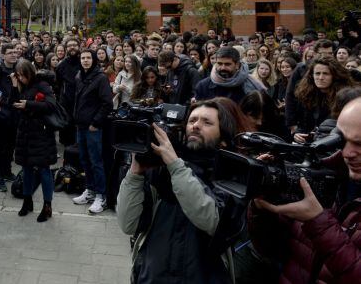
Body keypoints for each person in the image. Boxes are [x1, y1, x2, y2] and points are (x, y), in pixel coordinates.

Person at [117, 100, 245, 283]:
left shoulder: (232, 175)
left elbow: (211, 221)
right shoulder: (161, 168)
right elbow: (128, 224)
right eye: (192, 121)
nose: (196, 126)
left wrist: (175, 166)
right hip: (151, 276)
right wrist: (135, 173)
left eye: (207, 122)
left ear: (223, 139)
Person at [249, 96, 361, 283]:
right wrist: (262, 206)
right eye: (341, 139)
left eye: (359, 143)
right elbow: (270, 249)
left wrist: (318, 222)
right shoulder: (320, 176)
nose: (347, 153)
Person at [12, 60, 57, 222]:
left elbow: (52, 105)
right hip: (25, 132)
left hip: (41, 133)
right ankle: (27, 201)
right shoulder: (20, 85)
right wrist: (14, 86)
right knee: (27, 168)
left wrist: (29, 105)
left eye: (23, 75)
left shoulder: (42, 84)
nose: (21, 78)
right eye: (18, 75)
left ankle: (47, 206)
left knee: (44, 169)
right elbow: (14, 103)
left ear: (30, 73)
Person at [71, 49, 114, 214]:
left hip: (93, 127)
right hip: (80, 125)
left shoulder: (100, 78)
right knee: (84, 159)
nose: (85, 60)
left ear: (94, 60)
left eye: (89, 58)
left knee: (96, 161)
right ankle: (89, 190)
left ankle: (100, 196)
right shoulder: (79, 76)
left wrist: (96, 122)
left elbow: (107, 104)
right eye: (83, 58)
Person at [291, 56, 355, 143]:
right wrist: (298, 134)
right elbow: (303, 124)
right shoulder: (307, 95)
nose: (320, 77)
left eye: (326, 73)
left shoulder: (346, 97)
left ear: (335, 76)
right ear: (311, 75)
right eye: (317, 73)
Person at [0, 43, 21, 192]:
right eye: (10, 53)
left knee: (10, 146)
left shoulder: (18, 69)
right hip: (1, 114)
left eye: (15, 52)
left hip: (15, 113)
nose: (14, 55)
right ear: (3, 55)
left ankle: (7, 172)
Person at [194, 46, 266, 103]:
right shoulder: (203, 86)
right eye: (219, 63)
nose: (223, 68)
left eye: (227, 64)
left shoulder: (252, 86)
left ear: (237, 65)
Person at [56, 38, 83, 146]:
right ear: (66, 48)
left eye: (74, 45)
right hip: (66, 101)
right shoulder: (61, 66)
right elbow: (58, 83)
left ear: (79, 47)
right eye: (69, 45)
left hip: (82, 101)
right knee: (67, 129)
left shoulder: (83, 62)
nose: (72, 47)